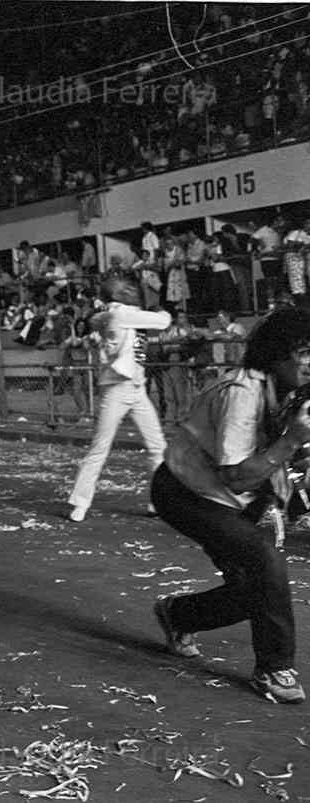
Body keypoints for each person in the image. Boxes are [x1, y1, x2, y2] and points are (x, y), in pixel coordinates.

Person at [150, 307, 310, 704]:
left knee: (256, 589)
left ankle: (178, 615)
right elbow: (235, 475)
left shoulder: (290, 391)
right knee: (265, 561)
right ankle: (274, 669)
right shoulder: (240, 393)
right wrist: (290, 443)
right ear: (279, 355)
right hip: (186, 492)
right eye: (305, 352)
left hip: (234, 495)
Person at [66, 277, 171, 522]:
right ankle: (80, 503)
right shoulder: (122, 313)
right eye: (128, 289)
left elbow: (97, 322)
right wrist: (160, 306)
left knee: (158, 446)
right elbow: (164, 321)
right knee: (100, 447)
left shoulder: (114, 314)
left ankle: (159, 503)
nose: (133, 291)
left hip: (136, 387)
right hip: (118, 388)